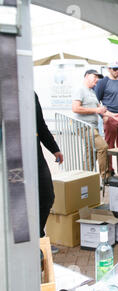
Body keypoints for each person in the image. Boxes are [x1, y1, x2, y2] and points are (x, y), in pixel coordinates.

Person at [72, 69, 118, 182]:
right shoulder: (80, 90)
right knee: (103, 147)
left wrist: (113, 115)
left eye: (98, 78)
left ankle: (85, 179)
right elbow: (75, 108)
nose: (97, 80)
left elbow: (100, 110)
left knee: (91, 153)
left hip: (92, 127)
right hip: (84, 126)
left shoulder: (92, 92)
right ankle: (105, 177)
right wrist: (96, 109)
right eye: (95, 77)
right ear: (87, 76)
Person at [35, 92, 63, 253]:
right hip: (11, 157)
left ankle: (38, 238)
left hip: (35, 155)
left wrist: (55, 149)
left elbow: (40, 124)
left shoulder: (31, 95)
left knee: (47, 196)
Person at [94, 61, 118, 175]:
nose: (117, 71)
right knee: (109, 146)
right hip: (110, 117)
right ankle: (109, 171)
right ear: (109, 69)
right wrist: (103, 116)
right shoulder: (103, 82)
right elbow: (96, 101)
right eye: (115, 69)